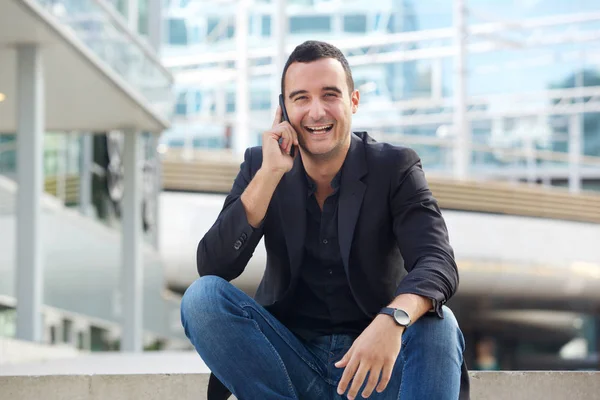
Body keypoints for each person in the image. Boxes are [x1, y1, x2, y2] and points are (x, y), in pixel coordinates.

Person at [180, 40, 470, 400]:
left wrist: (392, 320)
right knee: (202, 298)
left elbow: (437, 261)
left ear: (353, 101)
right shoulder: (261, 165)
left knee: (440, 326)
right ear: (283, 109)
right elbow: (214, 265)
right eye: (300, 98)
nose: (316, 111)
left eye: (329, 95)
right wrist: (270, 174)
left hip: (375, 370)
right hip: (289, 368)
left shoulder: (394, 167)